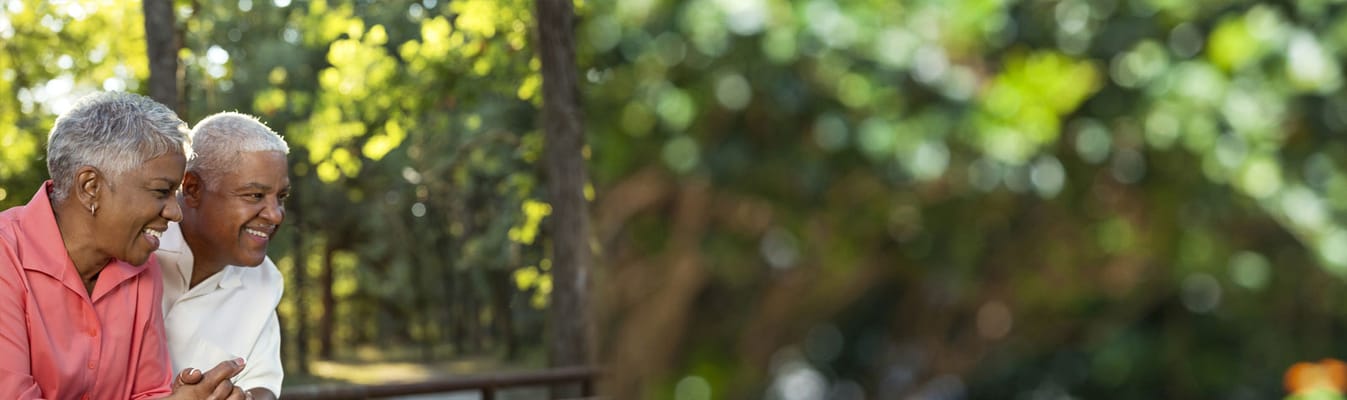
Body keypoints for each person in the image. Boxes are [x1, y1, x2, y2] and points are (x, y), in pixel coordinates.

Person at [0, 91, 250, 400]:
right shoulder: (6, 256)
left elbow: (147, 392)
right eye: (161, 191)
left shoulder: (142, 269)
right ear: (90, 187)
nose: (176, 213)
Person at [156, 112, 289, 400]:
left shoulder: (265, 279)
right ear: (192, 189)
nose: (276, 215)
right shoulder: (140, 249)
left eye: (281, 197)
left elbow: (263, 382)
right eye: (255, 195)